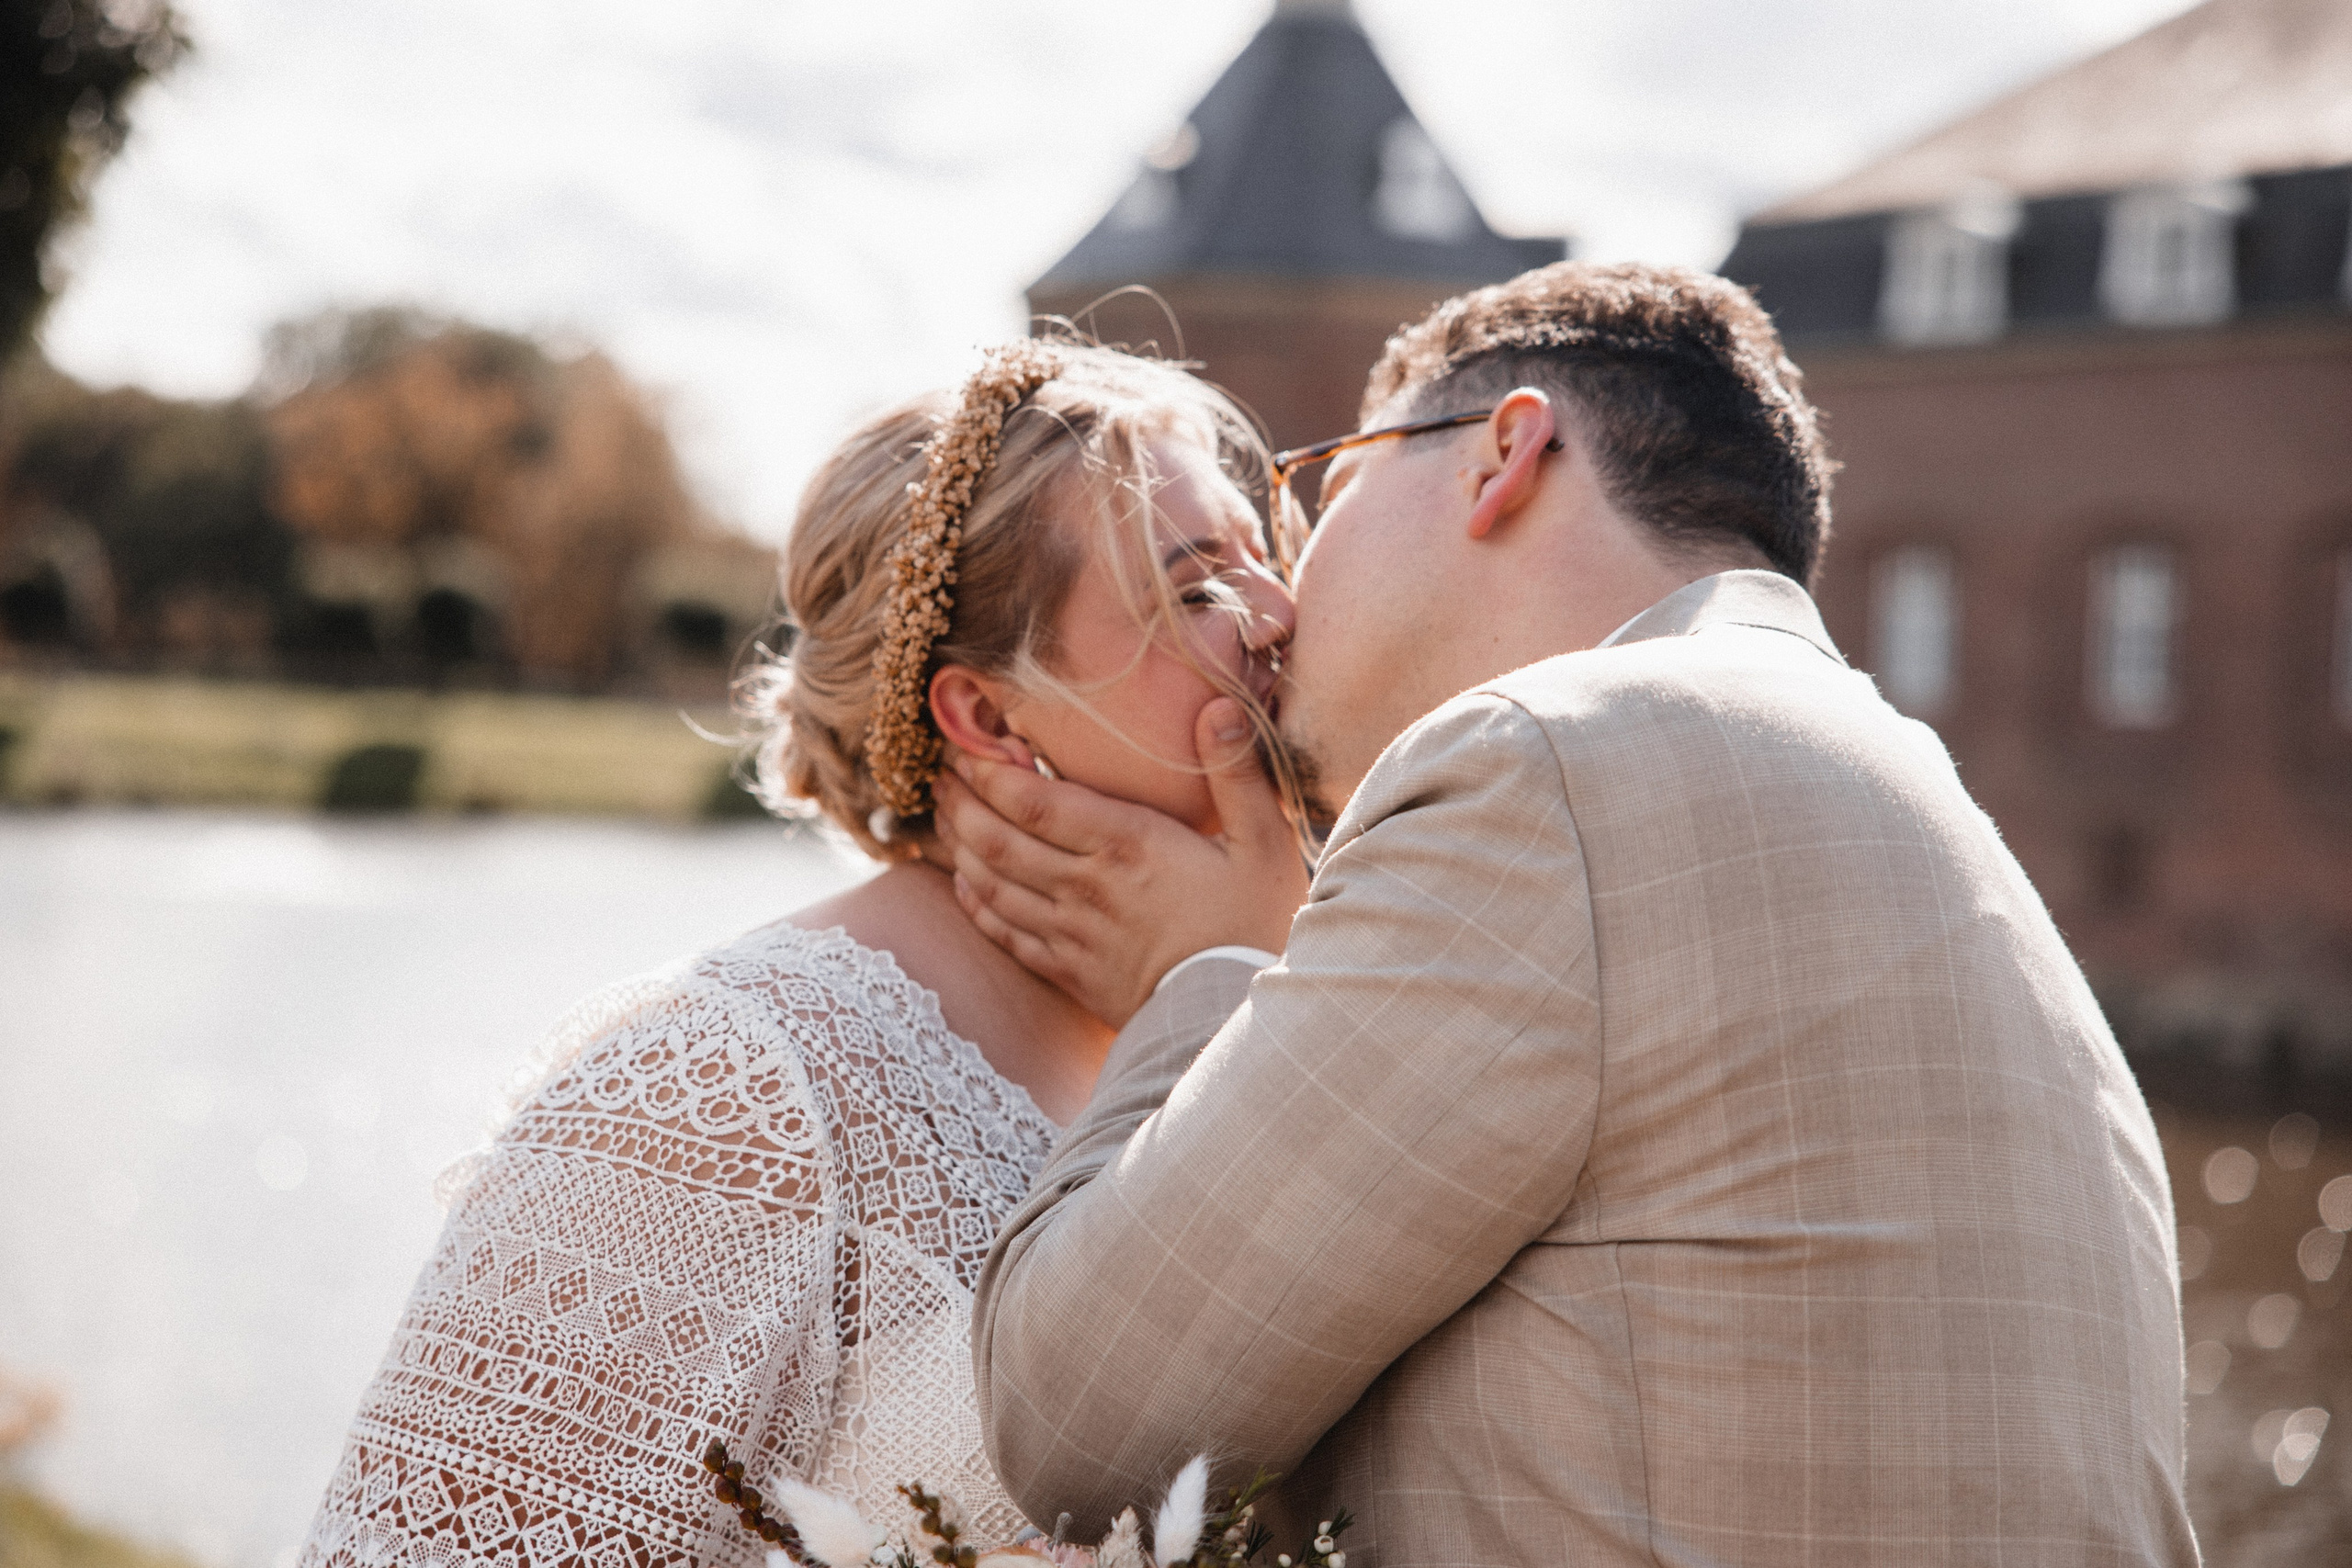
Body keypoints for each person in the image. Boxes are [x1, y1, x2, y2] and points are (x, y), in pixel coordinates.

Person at [942, 264, 2200, 1565]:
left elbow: (1074, 1425)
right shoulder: (1927, 816)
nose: (1287, 594)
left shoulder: (1547, 763)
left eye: (1325, 491)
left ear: (1503, 454)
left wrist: (1205, 962)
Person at [296, 342, 1302, 1568]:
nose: (1282, 617)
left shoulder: (1255, 1023)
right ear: (984, 716)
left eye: (1268, 556)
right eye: (1197, 590)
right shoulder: (723, 1088)